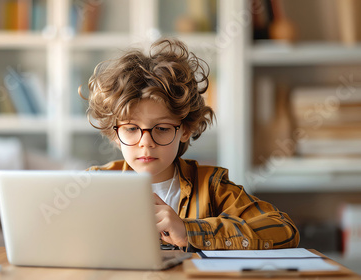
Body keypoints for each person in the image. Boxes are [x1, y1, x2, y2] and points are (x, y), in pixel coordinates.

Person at [80, 38, 299, 251]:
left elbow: (284, 230)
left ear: (185, 129)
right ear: (115, 134)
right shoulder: (95, 184)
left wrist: (189, 230)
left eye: (162, 128)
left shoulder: (212, 186)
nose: (146, 143)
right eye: (131, 129)